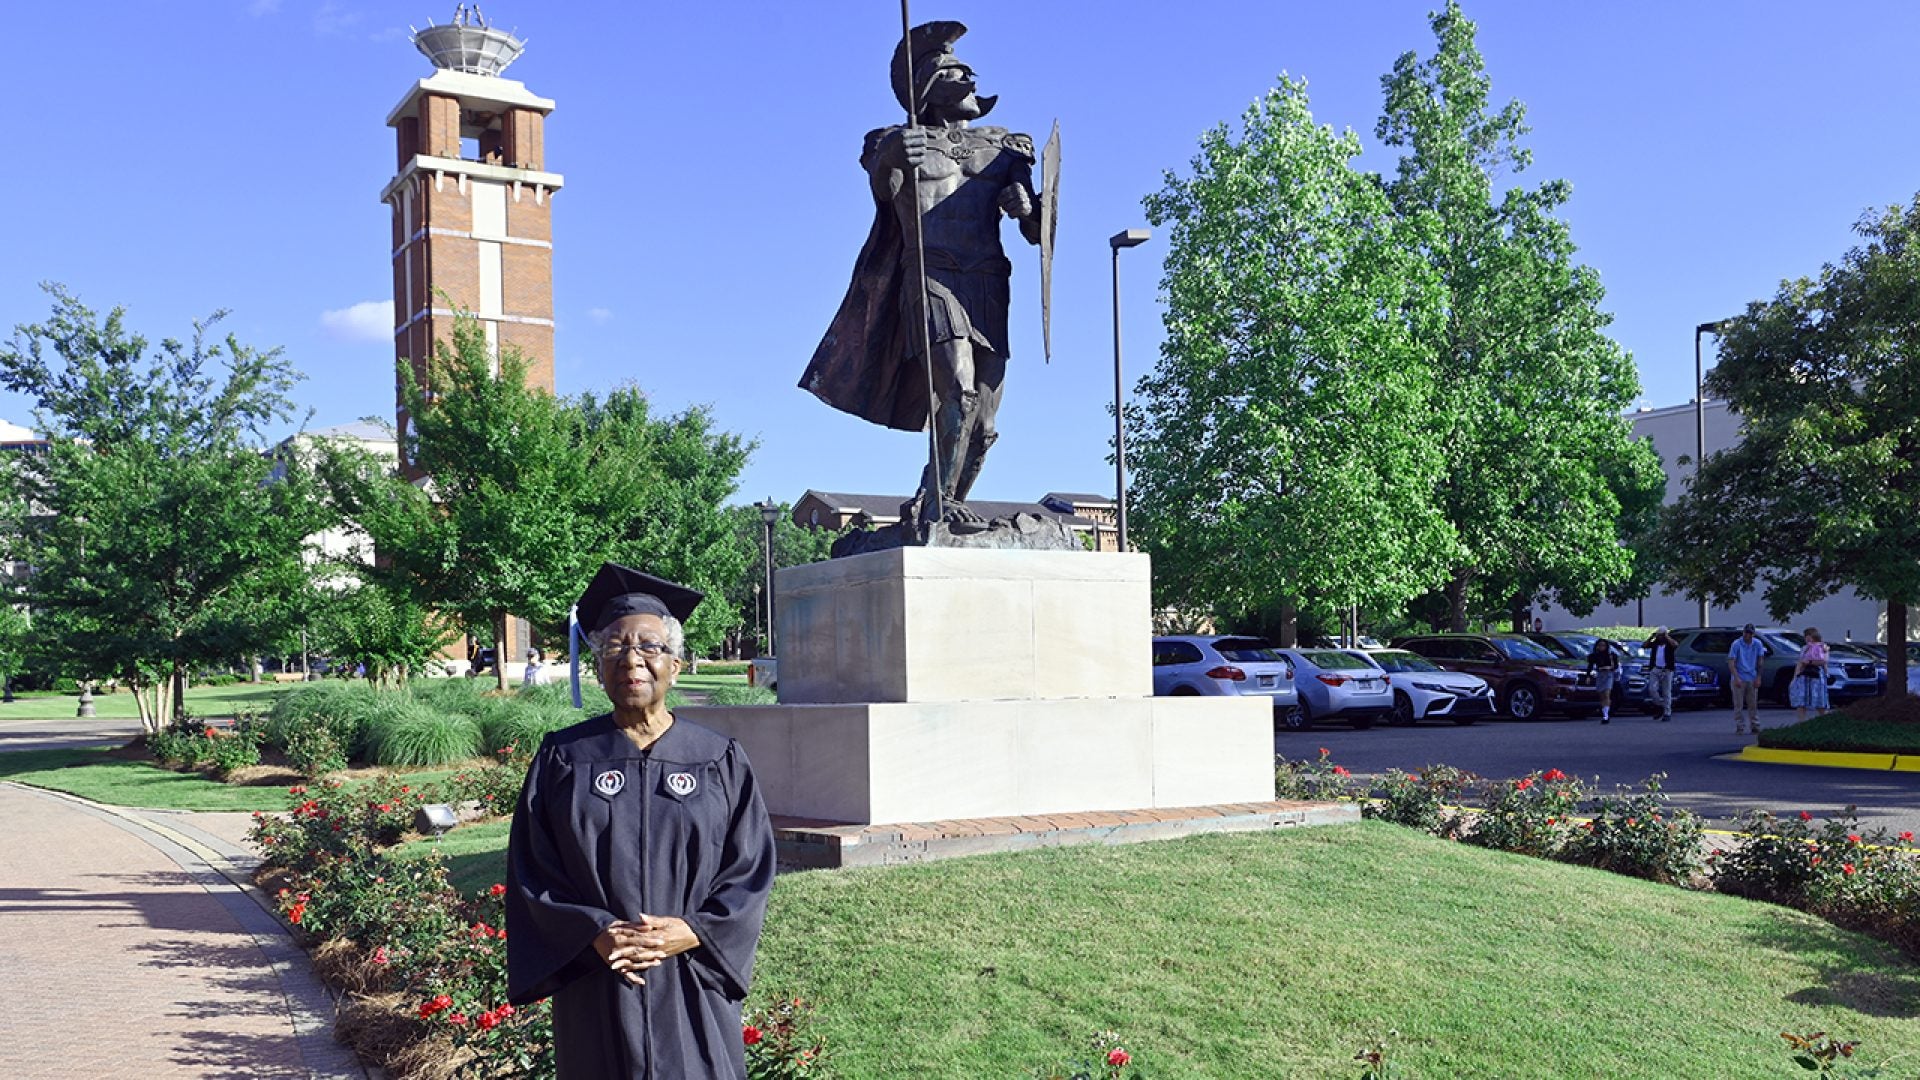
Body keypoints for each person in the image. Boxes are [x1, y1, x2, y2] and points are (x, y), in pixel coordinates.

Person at [506, 564, 778, 1079]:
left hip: (690, 974)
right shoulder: (564, 758)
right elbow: (532, 869)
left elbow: (751, 869)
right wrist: (596, 932)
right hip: (599, 974)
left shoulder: (717, 758)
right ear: (598, 667)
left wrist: (692, 931)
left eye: (650, 647)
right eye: (614, 647)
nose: (632, 659)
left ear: (674, 666)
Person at [802, 20, 1044, 530]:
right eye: (957, 72)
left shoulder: (1006, 147)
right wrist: (889, 161)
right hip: (930, 276)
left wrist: (1025, 206)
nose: (971, 78)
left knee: (984, 423)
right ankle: (938, 508)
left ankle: (938, 500)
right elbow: (886, 194)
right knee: (957, 392)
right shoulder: (893, 141)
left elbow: (1038, 229)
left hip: (988, 280)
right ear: (927, 87)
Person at [1728, 623, 1772, 736]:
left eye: (1750, 633)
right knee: (1738, 704)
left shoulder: (1757, 644)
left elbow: (1760, 661)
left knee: (1753, 704)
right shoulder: (1737, 644)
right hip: (1739, 676)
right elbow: (1731, 662)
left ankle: (1755, 725)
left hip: (1751, 676)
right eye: (1746, 633)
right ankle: (1740, 726)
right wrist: (1736, 678)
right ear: (1743, 633)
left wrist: (1758, 677)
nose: (1748, 635)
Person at [1792, 627, 1831, 723]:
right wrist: (1795, 677)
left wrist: (1809, 662)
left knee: (1820, 702)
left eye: (1809, 636)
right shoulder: (1804, 648)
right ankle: (1801, 723)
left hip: (1817, 676)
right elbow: (1800, 662)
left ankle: (1825, 722)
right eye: (1806, 637)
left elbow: (1823, 661)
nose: (1807, 639)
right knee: (1801, 702)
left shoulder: (1823, 647)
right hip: (1804, 677)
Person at [1643, 627, 1679, 722]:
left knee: (1666, 691)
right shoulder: (1655, 644)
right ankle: (1661, 705)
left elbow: (1675, 645)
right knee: (1652, 689)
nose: (1660, 637)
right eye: (1659, 635)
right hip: (1655, 669)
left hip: (1667, 670)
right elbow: (1644, 645)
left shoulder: (1669, 644)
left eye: (1662, 635)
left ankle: (1667, 712)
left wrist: (1667, 637)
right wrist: (1651, 637)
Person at [1584, 637, 1622, 724]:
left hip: (1608, 674)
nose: (1602, 647)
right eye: (1600, 645)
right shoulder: (1594, 656)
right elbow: (1590, 666)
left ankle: (1606, 715)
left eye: (1603, 645)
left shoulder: (1611, 655)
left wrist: (1610, 667)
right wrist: (1588, 676)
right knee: (1601, 694)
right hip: (1600, 674)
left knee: (1607, 693)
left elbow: (1616, 666)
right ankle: (1604, 710)